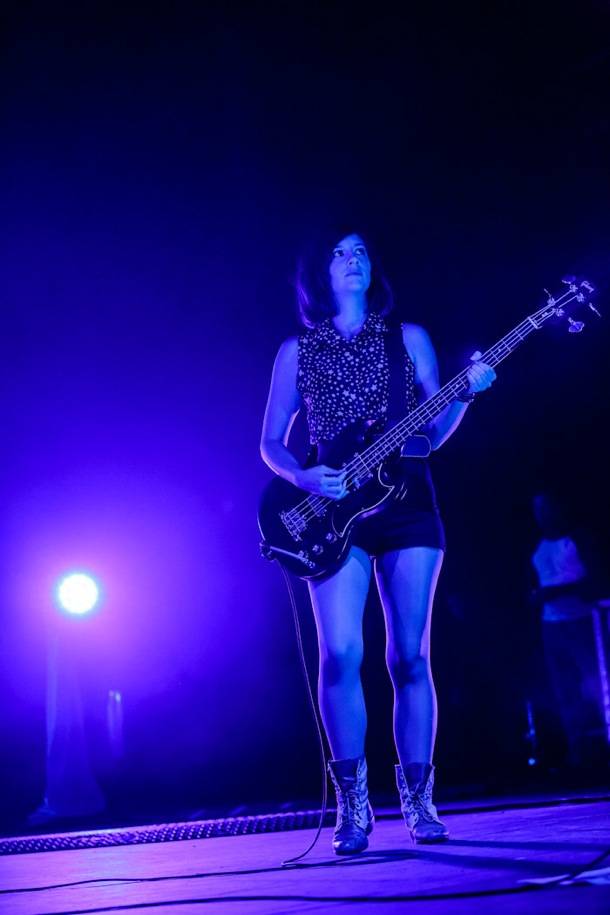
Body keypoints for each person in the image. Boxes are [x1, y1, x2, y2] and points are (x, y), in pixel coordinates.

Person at [260, 229, 496, 854]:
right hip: (332, 509)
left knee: (409, 657)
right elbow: (271, 443)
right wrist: (303, 476)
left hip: (408, 504)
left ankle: (419, 801)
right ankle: (353, 805)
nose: (353, 260)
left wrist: (467, 396)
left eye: (361, 251)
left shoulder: (408, 339)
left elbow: (432, 433)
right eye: (340, 252)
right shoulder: (297, 350)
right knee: (340, 654)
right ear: (320, 271)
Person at [530, 491, 605, 771]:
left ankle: (604, 743)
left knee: (596, 683)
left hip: (582, 620)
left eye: (546, 507)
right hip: (551, 625)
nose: (542, 514)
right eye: (537, 509)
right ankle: (578, 750)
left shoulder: (578, 539)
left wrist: (556, 592)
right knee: (564, 689)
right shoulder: (537, 546)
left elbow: (596, 581)